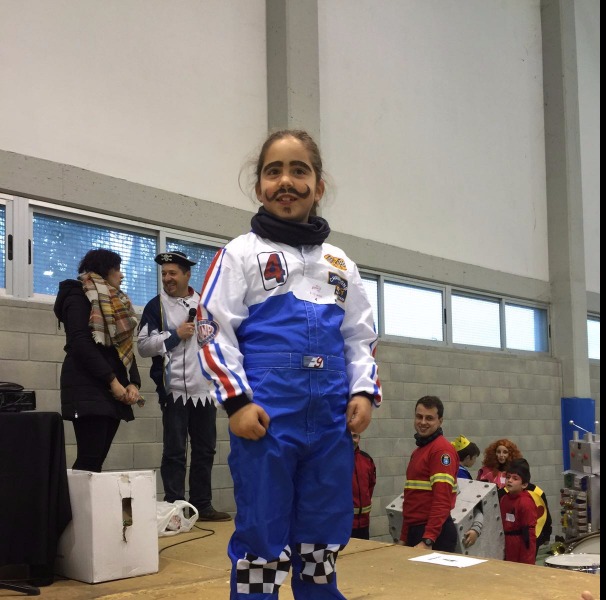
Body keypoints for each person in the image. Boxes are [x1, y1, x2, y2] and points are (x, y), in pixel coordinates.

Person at [196, 129, 381, 600]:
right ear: (259, 186)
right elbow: (212, 329)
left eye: (300, 170)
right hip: (267, 420)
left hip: (331, 423)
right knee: (263, 529)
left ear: (318, 186)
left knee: (323, 530)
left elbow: (360, 335)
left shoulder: (341, 263)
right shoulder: (239, 254)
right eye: (273, 171)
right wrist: (236, 402)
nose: (286, 181)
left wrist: (363, 391)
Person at [137, 251, 231, 522]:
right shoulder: (156, 306)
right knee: (175, 451)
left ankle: (202, 505)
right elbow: (143, 347)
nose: (167, 278)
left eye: (172, 273)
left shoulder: (205, 304)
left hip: (204, 391)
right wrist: (174, 335)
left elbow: (219, 341)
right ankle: (175, 507)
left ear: (187, 275)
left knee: (205, 450)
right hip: (174, 389)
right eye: (164, 274)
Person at [54, 248, 143, 472]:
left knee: (96, 460)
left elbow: (124, 346)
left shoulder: (115, 301)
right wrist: (112, 381)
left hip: (110, 385)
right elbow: (80, 343)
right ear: (104, 271)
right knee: (89, 459)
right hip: (87, 385)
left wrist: (133, 382)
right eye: (117, 269)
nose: (121, 275)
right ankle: (72, 498)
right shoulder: (77, 296)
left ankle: (83, 498)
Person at [399, 396, 459, 552]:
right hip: (417, 531)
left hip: (434, 535)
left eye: (429, 418)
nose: (423, 422)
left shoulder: (441, 451)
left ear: (440, 421)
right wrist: (404, 537)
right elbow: (411, 498)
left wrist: (428, 539)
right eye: (419, 417)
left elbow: (442, 500)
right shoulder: (419, 451)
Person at [499, 458, 539, 564]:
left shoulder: (526, 503)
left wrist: (527, 562)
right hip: (506, 545)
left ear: (524, 484)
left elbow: (529, 536)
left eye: (515, 478)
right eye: (508, 477)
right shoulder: (504, 499)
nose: (510, 480)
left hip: (520, 546)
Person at [451, 435, 483, 549]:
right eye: (474, 458)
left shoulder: (453, 468)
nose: (475, 461)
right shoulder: (462, 474)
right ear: (468, 457)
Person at [351, 431, 377, 540]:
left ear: (359, 438)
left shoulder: (367, 459)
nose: (351, 440)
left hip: (364, 524)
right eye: (348, 436)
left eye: (354, 436)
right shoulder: (334, 460)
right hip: (343, 524)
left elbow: (371, 486)